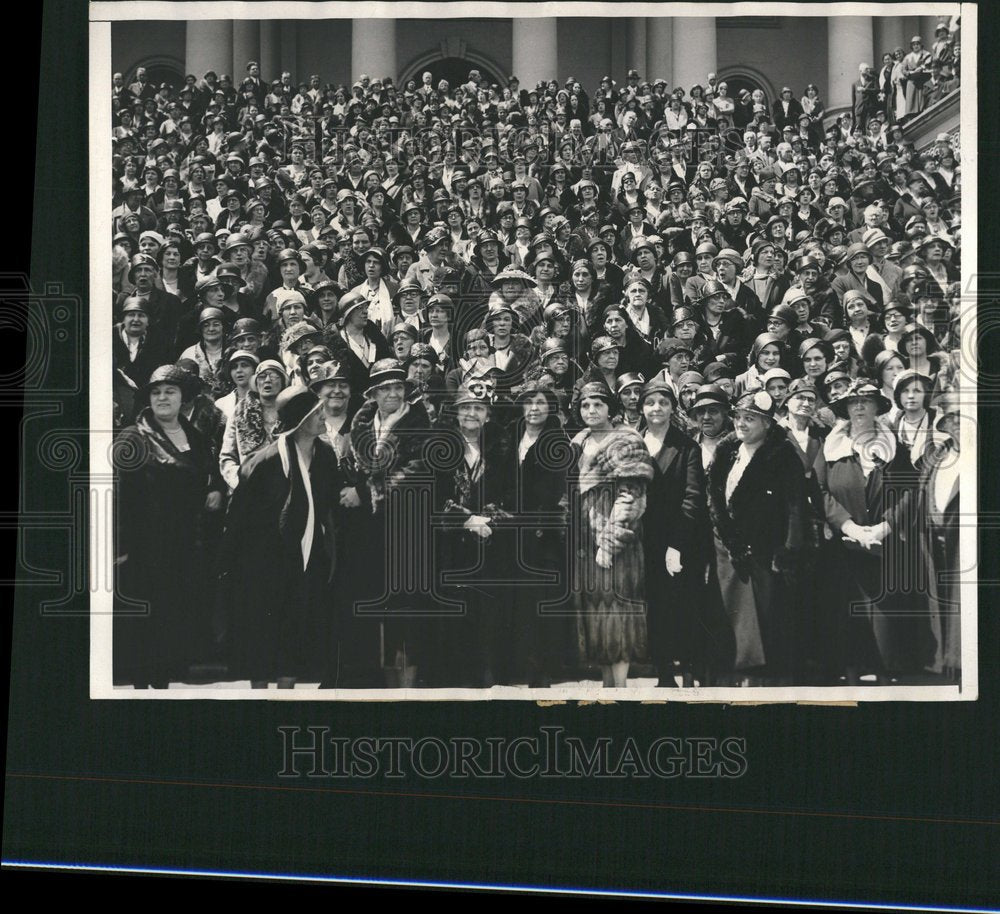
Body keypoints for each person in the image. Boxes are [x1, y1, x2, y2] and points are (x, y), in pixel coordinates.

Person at [220, 382, 342, 688]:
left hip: (306, 557)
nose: (322, 416)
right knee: (263, 630)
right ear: (299, 419)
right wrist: (233, 564)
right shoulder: (264, 462)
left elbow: (328, 505)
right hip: (264, 563)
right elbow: (238, 517)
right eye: (316, 412)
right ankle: (260, 694)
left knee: (295, 629)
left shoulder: (325, 456)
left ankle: (287, 693)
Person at [115, 365, 225, 687]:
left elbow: (208, 473)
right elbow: (120, 498)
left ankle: (164, 683)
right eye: (156, 392)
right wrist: (122, 549)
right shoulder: (133, 437)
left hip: (187, 545)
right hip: (146, 548)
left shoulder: (197, 437)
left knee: (176, 618)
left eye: (170, 391)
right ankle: (141, 688)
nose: (163, 397)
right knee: (147, 623)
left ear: (183, 398)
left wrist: (215, 488)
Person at [816, 380, 930, 683]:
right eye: (853, 403)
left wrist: (884, 527)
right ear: (846, 410)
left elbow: (910, 492)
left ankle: (888, 677)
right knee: (848, 614)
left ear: (878, 408)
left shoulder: (896, 449)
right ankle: (854, 673)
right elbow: (819, 492)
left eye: (866, 401)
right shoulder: (832, 448)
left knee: (886, 622)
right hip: (844, 547)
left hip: (887, 545)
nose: (859, 407)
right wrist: (848, 525)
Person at [706, 389, 808, 685]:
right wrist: (729, 540)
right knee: (729, 625)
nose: (741, 423)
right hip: (728, 552)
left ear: (767, 424)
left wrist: (788, 552)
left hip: (764, 554)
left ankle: (760, 688)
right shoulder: (726, 451)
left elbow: (795, 508)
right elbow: (714, 499)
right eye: (738, 417)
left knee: (763, 628)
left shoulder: (783, 456)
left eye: (750, 418)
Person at [349, 359, 432, 687]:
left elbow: (420, 467)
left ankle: (409, 683)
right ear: (374, 394)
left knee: (406, 601)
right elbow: (352, 467)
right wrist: (359, 488)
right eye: (385, 389)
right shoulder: (362, 424)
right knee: (377, 597)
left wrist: (380, 488)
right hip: (370, 526)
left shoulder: (418, 423)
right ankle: (384, 680)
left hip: (406, 523)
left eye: (398, 388)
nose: (393, 394)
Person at [570, 382, 654, 688]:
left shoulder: (626, 441)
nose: (591, 411)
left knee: (619, 615)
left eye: (598, 405)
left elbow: (631, 498)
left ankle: (621, 688)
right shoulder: (578, 442)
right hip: (585, 544)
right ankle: (607, 685)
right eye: (585, 405)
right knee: (597, 619)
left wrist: (609, 543)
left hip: (617, 545)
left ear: (610, 408)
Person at [638, 377, 707, 687]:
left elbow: (693, 497)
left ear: (672, 408)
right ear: (642, 408)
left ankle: (689, 672)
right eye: (650, 402)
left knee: (684, 605)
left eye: (663, 403)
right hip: (642, 539)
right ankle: (664, 673)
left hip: (680, 539)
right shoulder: (631, 443)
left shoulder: (687, 446)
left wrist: (676, 545)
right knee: (654, 607)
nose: (656, 408)